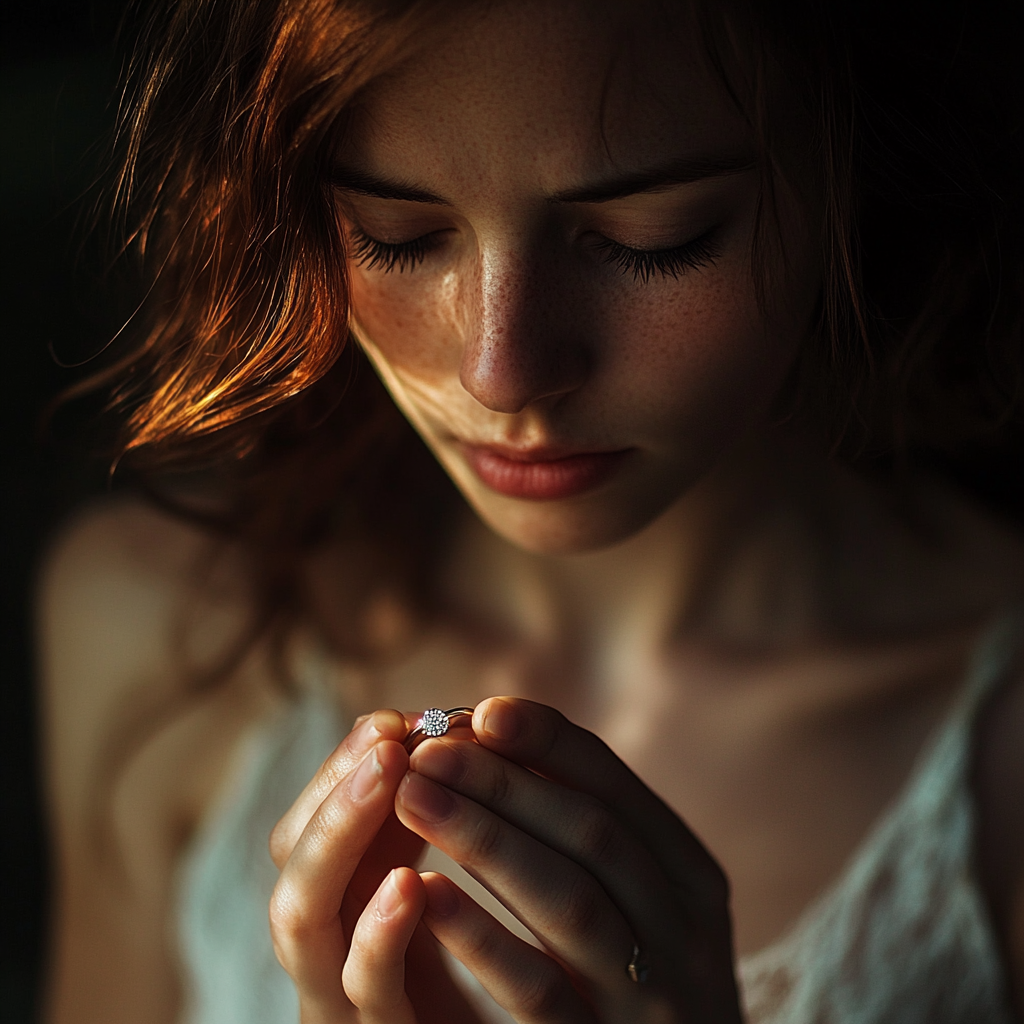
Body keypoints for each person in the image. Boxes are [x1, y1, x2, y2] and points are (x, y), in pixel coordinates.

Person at [36, 0, 1024, 1021]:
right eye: (398, 237)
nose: (500, 371)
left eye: (653, 239)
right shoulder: (155, 629)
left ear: (850, 163)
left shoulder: (998, 766)